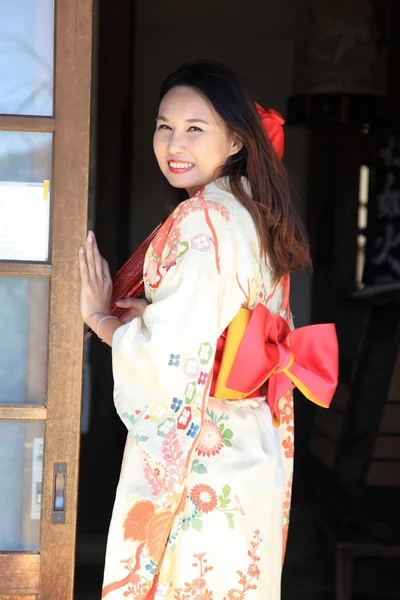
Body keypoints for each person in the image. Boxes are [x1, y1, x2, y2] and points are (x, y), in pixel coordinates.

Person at [79, 60, 338, 600]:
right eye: (163, 126)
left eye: (195, 128)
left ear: (238, 140)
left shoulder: (204, 218)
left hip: (205, 455)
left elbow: (173, 353)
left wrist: (101, 319)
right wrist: (146, 314)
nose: (174, 143)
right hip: (250, 448)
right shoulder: (252, 211)